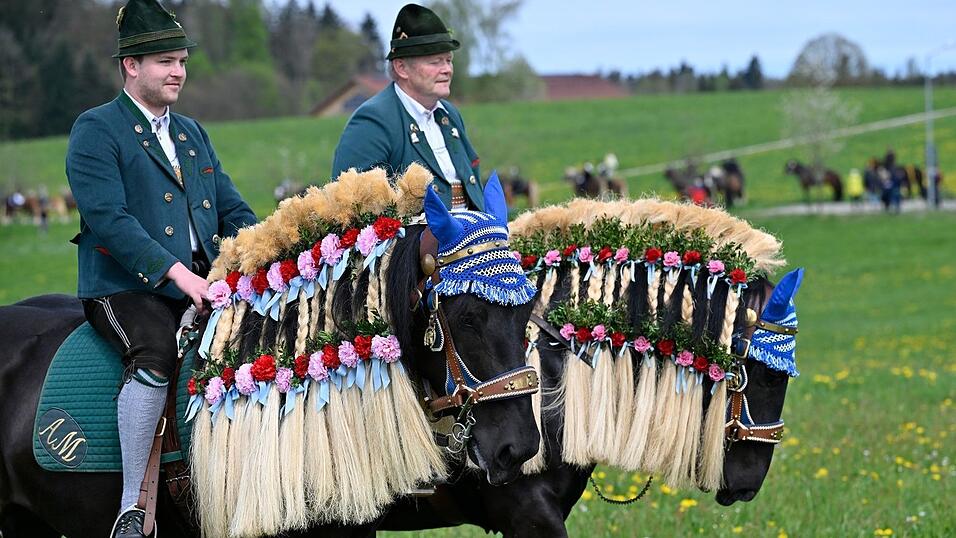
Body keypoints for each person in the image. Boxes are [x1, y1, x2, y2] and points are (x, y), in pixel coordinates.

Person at [65, 1, 257, 536]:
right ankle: (132, 507)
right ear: (131, 65)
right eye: (165, 62)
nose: (178, 72)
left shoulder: (192, 132)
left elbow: (233, 209)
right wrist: (178, 274)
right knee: (154, 351)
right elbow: (109, 219)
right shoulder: (96, 129)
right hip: (123, 287)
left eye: (182, 62)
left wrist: (263, 252)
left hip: (204, 280)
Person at [331, 3, 483, 210]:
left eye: (448, 60)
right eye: (435, 62)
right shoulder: (373, 121)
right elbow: (352, 207)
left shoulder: (450, 114)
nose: (447, 69)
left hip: (471, 228)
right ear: (401, 67)